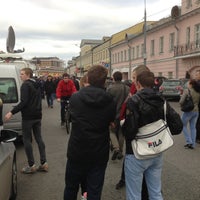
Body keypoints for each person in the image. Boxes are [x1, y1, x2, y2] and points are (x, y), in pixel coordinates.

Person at [123, 70, 182, 200]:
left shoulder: (134, 101)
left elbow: (130, 132)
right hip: (157, 151)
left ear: (138, 83)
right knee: (155, 192)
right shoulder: (162, 100)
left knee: (134, 195)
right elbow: (178, 127)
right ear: (153, 83)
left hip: (137, 153)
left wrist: (124, 126)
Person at [63, 65, 116, 200]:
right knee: (94, 190)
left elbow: (73, 116)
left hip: (77, 149)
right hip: (99, 151)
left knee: (71, 187)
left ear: (88, 78)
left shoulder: (75, 97)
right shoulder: (110, 100)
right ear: (104, 81)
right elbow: (111, 121)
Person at [4, 68, 48, 174]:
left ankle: (31, 165)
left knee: (26, 140)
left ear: (28, 75)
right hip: (38, 115)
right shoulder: (37, 84)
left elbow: (24, 102)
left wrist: (11, 112)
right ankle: (44, 163)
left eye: (22, 74)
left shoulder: (25, 85)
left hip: (28, 117)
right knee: (39, 138)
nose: (20, 76)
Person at [116, 65, 149, 200]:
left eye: (134, 77)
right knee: (130, 159)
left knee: (139, 161)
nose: (133, 80)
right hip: (134, 130)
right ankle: (124, 179)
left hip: (141, 132)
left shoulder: (143, 91)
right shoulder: (133, 88)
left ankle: (142, 191)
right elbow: (125, 104)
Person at [107, 71, 129, 160]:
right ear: (121, 77)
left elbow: (107, 102)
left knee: (111, 131)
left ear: (113, 78)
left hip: (113, 114)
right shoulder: (127, 88)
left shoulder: (110, 88)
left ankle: (115, 148)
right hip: (123, 114)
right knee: (121, 133)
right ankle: (120, 151)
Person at [180, 79, 200, 149]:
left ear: (191, 84)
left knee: (182, 125)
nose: (188, 85)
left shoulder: (187, 91)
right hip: (196, 111)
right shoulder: (198, 91)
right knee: (193, 127)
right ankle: (193, 144)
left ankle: (189, 141)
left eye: (189, 83)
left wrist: (182, 105)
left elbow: (181, 101)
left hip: (188, 111)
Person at [194, 70, 200, 143]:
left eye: (197, 75)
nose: (196, 76)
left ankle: (197, 137)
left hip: (198, 105)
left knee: (198, 122)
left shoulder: (197, 84)